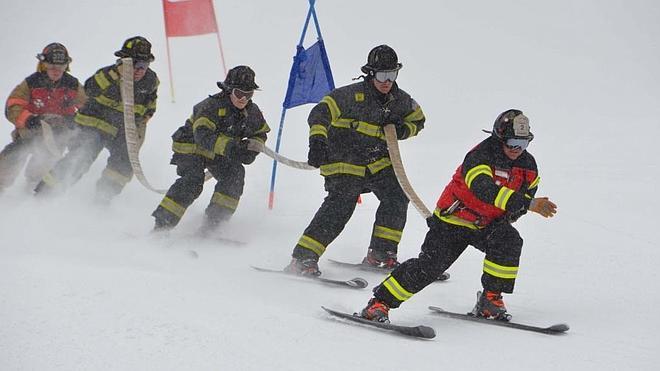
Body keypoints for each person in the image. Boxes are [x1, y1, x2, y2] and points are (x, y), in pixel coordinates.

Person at [358, 109, 558, 323]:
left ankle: (490, 299)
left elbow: (525, 196)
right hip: (454, 221)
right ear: (499, 137)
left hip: (487, 224)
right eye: (512, 142)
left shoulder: (528, 166)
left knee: (508, 241)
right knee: (429, 268)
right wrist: (529, 204)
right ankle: (379, 303)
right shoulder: (481, 155)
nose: (517, 149)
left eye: (523, 143)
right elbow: (484, 189)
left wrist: (520, 209)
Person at [284, 45, 426, 276]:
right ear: (370, 74)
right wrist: (317, 142)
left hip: (377, 162)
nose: (387, 81)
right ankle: (303, 258)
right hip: (343, 159)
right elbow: (319, 114)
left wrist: (403, 130)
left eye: (392, 75)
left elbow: (418, 120)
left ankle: (381, 254)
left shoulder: (400, 101)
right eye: (382, 75)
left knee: (397, 196)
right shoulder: (348, 96)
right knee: (343, 201)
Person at [33, 36, 159, 203]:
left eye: (143, 65)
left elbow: (149, 107)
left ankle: (102, 199)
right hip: (92, 126)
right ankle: (45, 194)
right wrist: (115, 76)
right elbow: (89, 88)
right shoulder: (107, 75)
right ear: (122, 62)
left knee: (124, 164)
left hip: (121, 130)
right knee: (82, 156)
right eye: (133, 64)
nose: (138, 70)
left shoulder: (151, 81)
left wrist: (138, 129)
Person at [151, 65, 269, 233]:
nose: (243, 99)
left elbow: (260, 133)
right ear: (229, 90)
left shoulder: (252, 112)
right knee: (193, 180)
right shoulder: (211, 106)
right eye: (239, 93)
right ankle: (161, 226)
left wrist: (251, 150)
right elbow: (203, 136)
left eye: (248, 94)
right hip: (191, 148)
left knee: (234, 174)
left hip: (219, 152)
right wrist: (232, 147)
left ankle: (214, 225)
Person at [0, 43, 86, 192]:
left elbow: (88, 108)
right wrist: (29, 120)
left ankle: (33, 193)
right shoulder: (31, 83)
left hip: (57, 136)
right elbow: (13, 106)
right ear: (43, 64)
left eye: (61, 67)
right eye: (52, 66)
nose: (56, 71)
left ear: (66, 66)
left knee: (43, 165)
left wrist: (75, 120)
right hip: (30, 131)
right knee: (11, 156)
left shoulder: (72, 85)